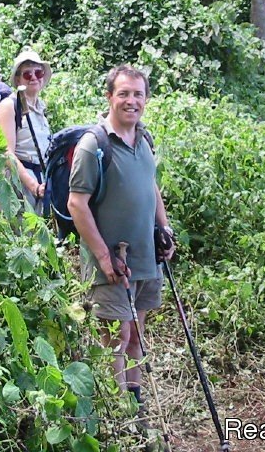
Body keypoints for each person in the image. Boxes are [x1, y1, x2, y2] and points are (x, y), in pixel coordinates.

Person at [67, 65, 175, 408]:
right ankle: (118, 414)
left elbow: (151, 186)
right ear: (109, 97)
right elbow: (76, 203)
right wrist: (103, 257)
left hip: (144, 258)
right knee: (117, 338)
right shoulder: (93, 146)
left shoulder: (143, 138)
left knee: (136, 337)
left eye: (138, 94)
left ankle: (136, 406)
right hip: (112, 263)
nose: (132, 101)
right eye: (124, 93)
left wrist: (165, 228)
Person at [0, 49, 52, 214]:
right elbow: (6, 153)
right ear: (18, 78)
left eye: (38, 72)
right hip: (19, 183)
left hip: (41, 179)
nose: (34, 77)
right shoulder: (9, 106)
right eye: (27, 74)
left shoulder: (40, 107)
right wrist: (33, 186)